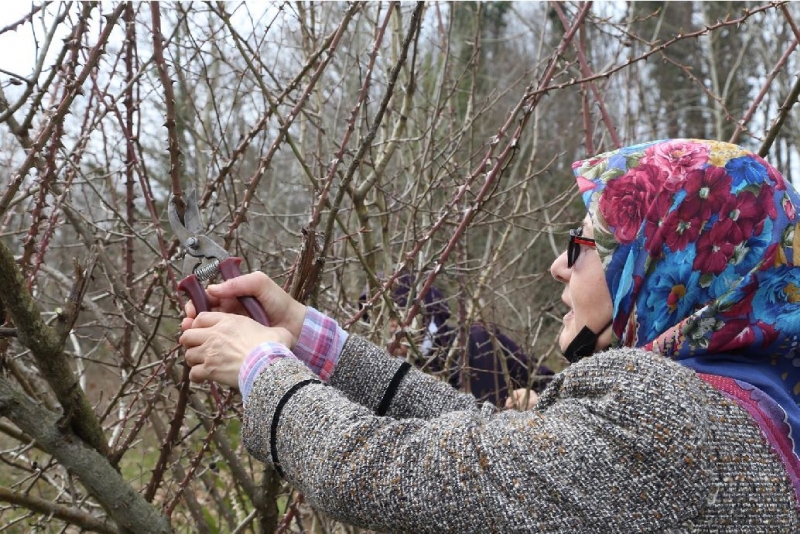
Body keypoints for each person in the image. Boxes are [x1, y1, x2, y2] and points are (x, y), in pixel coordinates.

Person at [180, 139, 800, 532]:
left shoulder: (662, 421)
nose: (560, 264)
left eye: (582, 244)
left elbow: (384, 474)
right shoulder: (745, 407)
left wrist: (262, 365)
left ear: (660, 262)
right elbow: (496, 448)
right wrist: (311, 339)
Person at [359, 270, 553, 407]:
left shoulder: (480, 341)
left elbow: (551, 384)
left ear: (424, 312)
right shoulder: (379, 376)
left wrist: (536, 399)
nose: (387, 325)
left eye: (395, 313)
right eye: (376, 317)